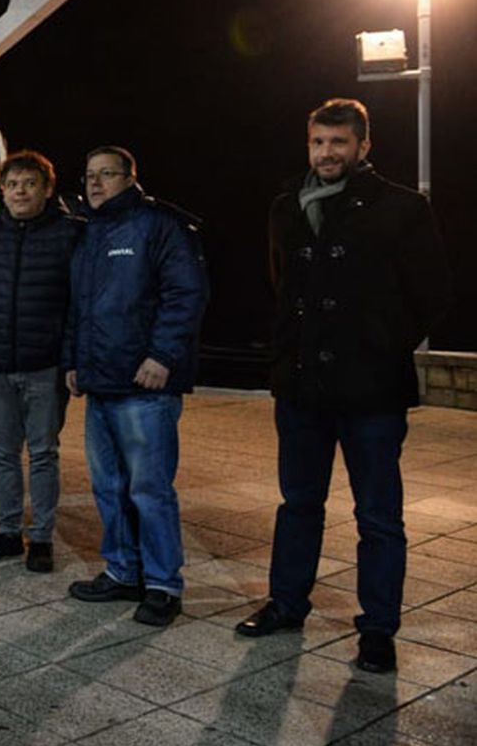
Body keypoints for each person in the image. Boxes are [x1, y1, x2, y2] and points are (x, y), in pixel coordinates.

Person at [235, 98, 451, 673]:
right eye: (318, 143)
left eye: (338, 142)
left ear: (363, 146)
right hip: (303, 391)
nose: (327, 153)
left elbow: (431, 295)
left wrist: (378, 343)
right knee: (298, 503)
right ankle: (286, 602)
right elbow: (283, 289)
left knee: (378, 515)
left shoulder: (403, 208)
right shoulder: (286, 207)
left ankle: (378, 629)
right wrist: (286, 363)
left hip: (372, 392)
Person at [65, 145, 208, 626]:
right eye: (89, 175)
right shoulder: (89, 233)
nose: (96, 183)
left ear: (131, 177)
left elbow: (186, 294)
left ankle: (164, 584)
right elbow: (78, 308)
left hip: (144, 386)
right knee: (108, 486)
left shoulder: (159, 226)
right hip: (100, 382)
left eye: (107, 174)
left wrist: (162, 356)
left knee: (149, 489)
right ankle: (123, 570)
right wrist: (72, 362)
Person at [0, 150, 81, 573]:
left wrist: (69, 360)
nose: (20, 191)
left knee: (42, 453)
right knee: (1, 452)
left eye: (30, 184)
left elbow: (76, 305)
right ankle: (7, 532)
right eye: (13, 184)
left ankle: (41, 539)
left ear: (47, 189)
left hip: (45, 364)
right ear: (2, 190)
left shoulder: (69, 234)